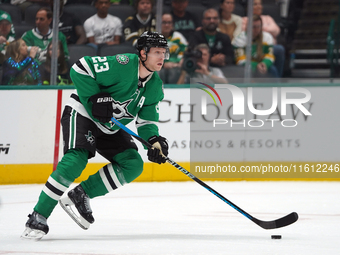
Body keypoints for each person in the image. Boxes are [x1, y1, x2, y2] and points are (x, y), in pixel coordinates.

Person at [21, 31, 170, 241]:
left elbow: (146, 122)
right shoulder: (123, 63)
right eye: (156, 52)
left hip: (110, 126)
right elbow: (80, 68)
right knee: (75, 160)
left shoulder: (154, 86)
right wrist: (95, 98)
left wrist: (153, 141)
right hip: (83, 113)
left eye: (164, 53)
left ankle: (81, 194)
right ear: (143, 53)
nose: (162, 57)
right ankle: (38, 216)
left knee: (133, 164)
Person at [241, 0, 285, 77]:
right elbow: (246, 31)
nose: (258, 6)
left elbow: (276, 30)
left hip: (269, 48)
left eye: (259, 4)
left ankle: (279, 79)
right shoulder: (245, 19)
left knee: (279, 49)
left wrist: (260, 29)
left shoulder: (268, 18)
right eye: (255, 4)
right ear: (249, 8)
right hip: (253, 48)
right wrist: (266, 29)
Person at [158, 12, 187, 84]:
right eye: (164, 22)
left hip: (175, 66)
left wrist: (179, 62)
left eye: (169, 22)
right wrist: (164, 64)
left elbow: (185, 51)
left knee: (174, 72)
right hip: (159, 67)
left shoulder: (178, 37)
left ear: (172, 24)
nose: (167, 25)